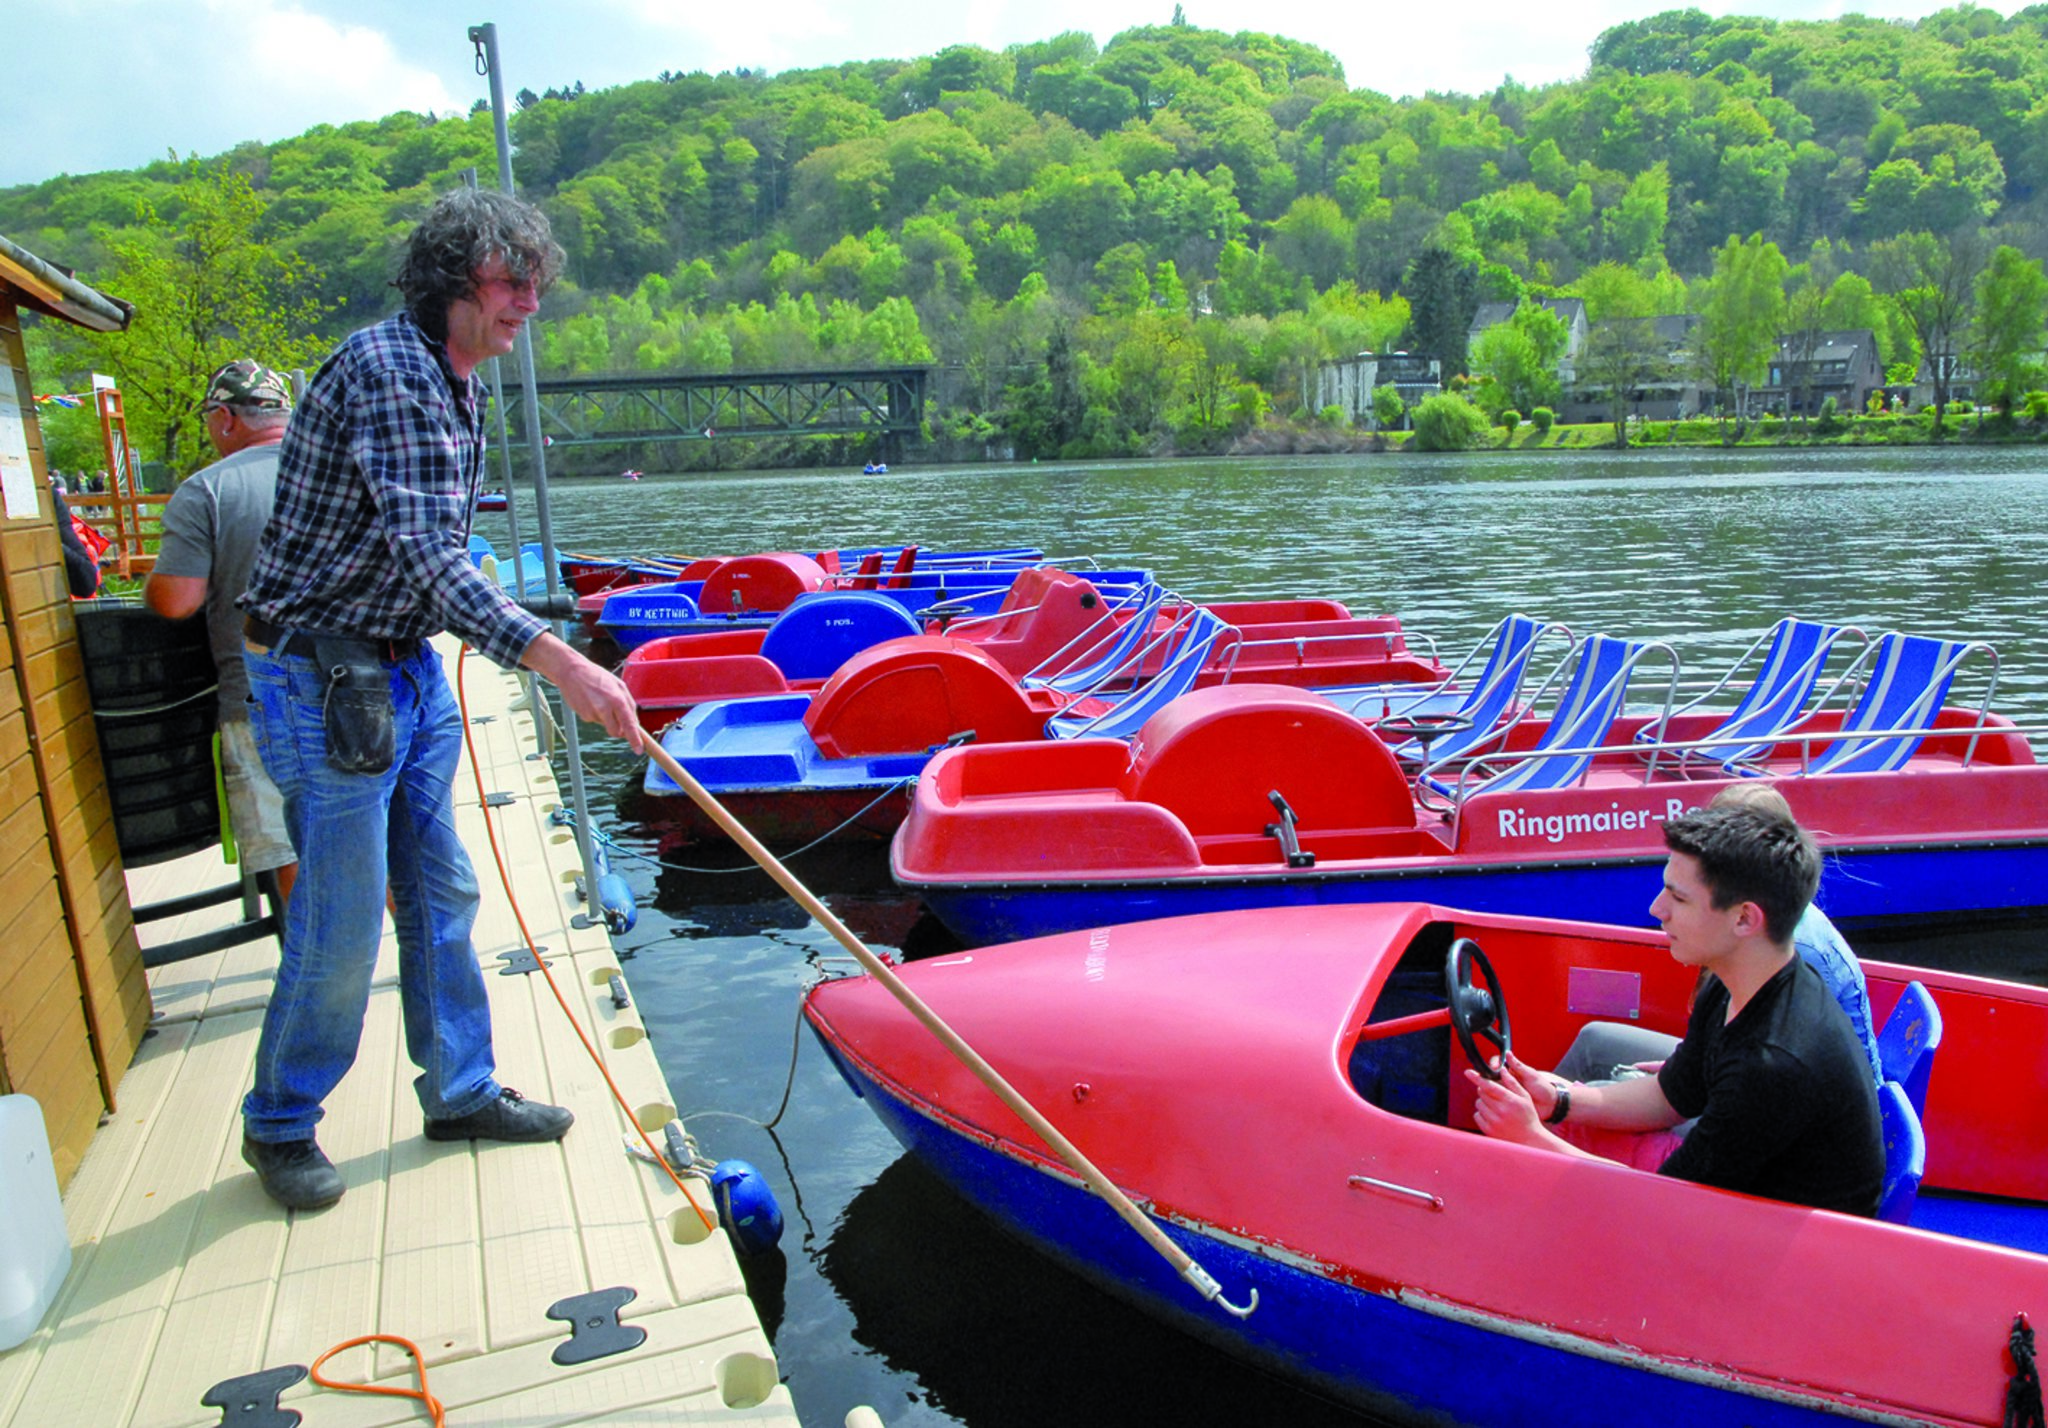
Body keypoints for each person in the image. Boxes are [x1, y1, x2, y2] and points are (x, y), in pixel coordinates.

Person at [234, 187, 645, 1212]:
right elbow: (428, 556)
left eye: (535, 287)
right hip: (322, 673)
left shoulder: (451, 377)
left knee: (443, 893)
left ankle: (458, 1089)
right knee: (339, 920)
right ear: (456, 281)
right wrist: (564, 661)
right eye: (514, 285)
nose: (530, 308)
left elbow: (431, 564)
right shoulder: (387, 372)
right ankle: (279, 1123)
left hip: (396, 665)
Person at [1465, 802, 1885, 1217]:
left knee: (1535, 1179)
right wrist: (1558, 1100)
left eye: (1679, 898)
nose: (1656, 909)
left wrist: (1532, 1139)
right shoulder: (1734, 982)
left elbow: (1668, 1205)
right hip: (1723, 1206)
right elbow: (1670, 1095)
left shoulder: (1772, 1065)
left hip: (1780, 1253)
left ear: (1744, 920)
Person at [1554, 783, 1883, 1087]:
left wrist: (1686, 1079)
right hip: (1737, 1073)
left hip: (1785, 1112)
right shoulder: (1754, 926)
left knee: (1600, 1090)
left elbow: (1779, 1083)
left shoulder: (1795, 955)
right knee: (1593, 1042)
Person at [145, 360, 300, 904]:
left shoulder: (206, 491)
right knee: (377, 835)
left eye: (211, 418)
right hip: (365, 687)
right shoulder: (338, 471)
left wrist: (154, 579)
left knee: (290, 849)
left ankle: (321, 970)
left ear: (228, 418)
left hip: (260, 698)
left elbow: (176, 600)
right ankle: (415, 956)